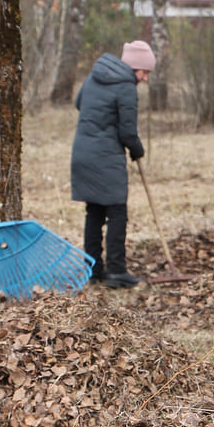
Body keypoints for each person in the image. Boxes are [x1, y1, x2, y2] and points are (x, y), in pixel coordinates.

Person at [71, 40, 154, 289]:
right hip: (106, 156)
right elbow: (128, 132)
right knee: (117, 211)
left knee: (94, 211)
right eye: (145, 72)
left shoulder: (95, 75)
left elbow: (78, 103)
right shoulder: (126, 87)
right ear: (134, 67)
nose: (145, 78)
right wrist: (138, 150)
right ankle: (116, 271)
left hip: (82, 152)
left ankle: (93, 269)